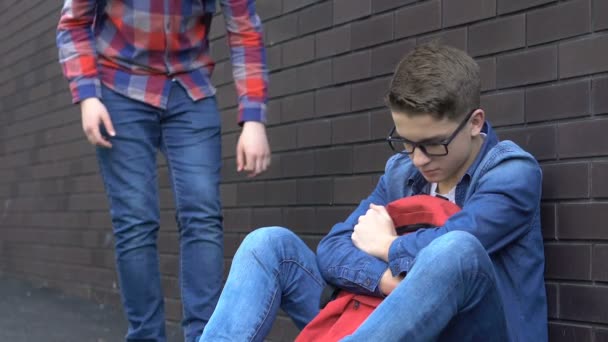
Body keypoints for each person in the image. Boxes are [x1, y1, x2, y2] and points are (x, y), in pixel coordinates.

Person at [199, 43, 548, 341]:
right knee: (269, 245)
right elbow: (333, 249)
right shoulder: (401, 173)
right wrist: (385, 282)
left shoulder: (511, 174)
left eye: (433, 144)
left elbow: (452, 251)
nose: (419, 159)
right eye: (407, 142)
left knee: (456, 249)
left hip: (466, 331)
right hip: (380, 323)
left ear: (474, 123)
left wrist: (387, 246)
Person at [56, 1, 270, 341]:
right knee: (135, 219)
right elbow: (73, 22)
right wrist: (87, 95)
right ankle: (146, 336)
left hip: (190, 88)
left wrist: (254, 118)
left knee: (203, 214)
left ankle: (206, 336)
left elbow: (245, 30)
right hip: (118, 86)